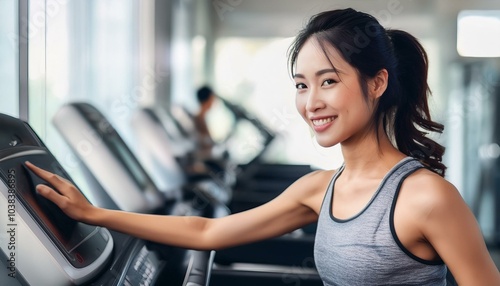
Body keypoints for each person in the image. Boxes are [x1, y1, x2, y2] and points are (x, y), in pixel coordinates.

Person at [26, 8, 500, 285]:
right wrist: (94, 215)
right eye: (300, 85)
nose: (311, 102)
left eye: (329, 81)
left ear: (377, 83)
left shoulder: (427, 197)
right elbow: (208, 233)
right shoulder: (319, 189)